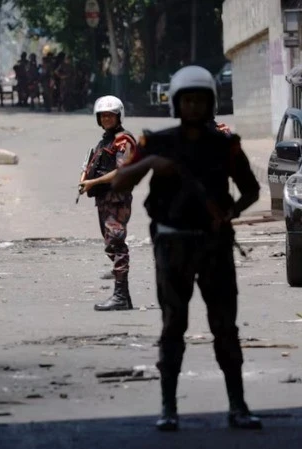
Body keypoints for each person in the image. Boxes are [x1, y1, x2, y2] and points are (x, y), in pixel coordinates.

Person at [111, 65, 262, 431]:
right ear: (176, 104)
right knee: (173, 326)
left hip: (214, 244)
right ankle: (168, 407)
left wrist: (229, 213)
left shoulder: (225, 145)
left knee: (224, 327)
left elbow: (251, 189)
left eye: (200, 101)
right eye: (187, 100)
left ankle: (238, 406)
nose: (193, 107)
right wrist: (151, 163)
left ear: (210, 104)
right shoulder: (156, 143)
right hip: (172, 242)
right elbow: (120, 179)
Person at [79, 95, 137, 312]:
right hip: (104, 199)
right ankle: (125, 297)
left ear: (118, 116)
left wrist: (93, 181)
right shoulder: (106, 141)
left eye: (110, 115)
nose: (106, 119)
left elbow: (122, 170)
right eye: (102, 116)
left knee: (117, 244)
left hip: (117, 200)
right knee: (110, 245)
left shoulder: (123, 140)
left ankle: (120, 296)